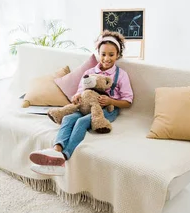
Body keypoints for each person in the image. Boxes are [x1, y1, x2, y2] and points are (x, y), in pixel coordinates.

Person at [29, 30, 134, 176]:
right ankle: (56, 150)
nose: (106, 58)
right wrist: (76, 97)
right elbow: (80, 91)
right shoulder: (90, 71)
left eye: (111, 54)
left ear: (118, 55)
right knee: (67, 118)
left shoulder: (121, 75)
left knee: (81, 122)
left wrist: (110, 101)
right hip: (86, 106)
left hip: (107, 110)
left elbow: (128, 101)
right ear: (98, 52)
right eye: (103, 54)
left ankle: (63, 158)